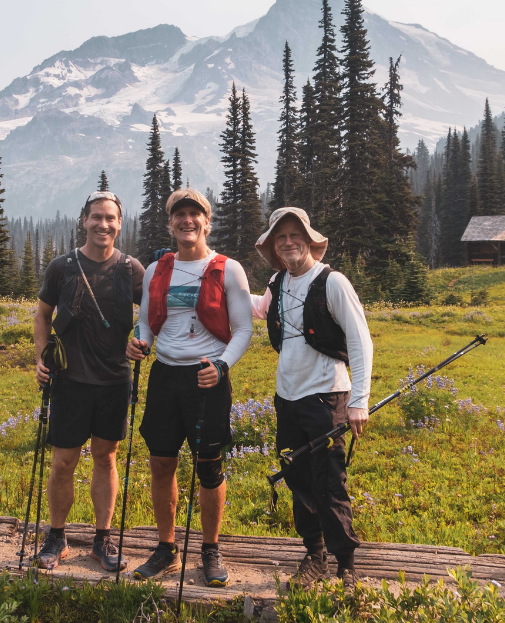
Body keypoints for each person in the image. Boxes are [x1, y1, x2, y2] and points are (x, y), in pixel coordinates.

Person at [125, 188, 253, 587]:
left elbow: (244, 329)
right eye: (179, 215)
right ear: (170, 223)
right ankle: (166, 547)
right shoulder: (156, 269)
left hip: (207, 376)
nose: (187, 221)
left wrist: (221, 365)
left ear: (206, 221)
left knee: (209, 465)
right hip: (165, 374)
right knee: (161, 462)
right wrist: (139, 339)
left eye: (194, 215)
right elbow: (146, 321)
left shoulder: (228, 269)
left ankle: (210, 549)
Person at [248, 207, 373, 592]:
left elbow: (360, 339)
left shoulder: (332, 282)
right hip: (287, 398)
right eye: (280, 237)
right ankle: (314, 554)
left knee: (329, 481)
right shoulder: (277, 281)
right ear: (274, 246)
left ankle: (346, 565)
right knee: (298, 478)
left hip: (327, 396)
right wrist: (224, 284)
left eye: (294, 235)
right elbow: (260, 310)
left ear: (309, 240)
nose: (288, 242)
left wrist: (359, 400)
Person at [32, 191, 146, 571]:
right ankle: (56, 536)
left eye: (110, 218)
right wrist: (40, 358)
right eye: (96, 217)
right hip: (68, 380)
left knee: (105, 457)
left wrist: (141, 340)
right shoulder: (61, 267)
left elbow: (151, 313)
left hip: (114, 380)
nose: (103, 224)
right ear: (84, 220)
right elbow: (42, 315)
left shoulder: (132, 269)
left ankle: (103, 540)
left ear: (119, 223)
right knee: (63, 462)